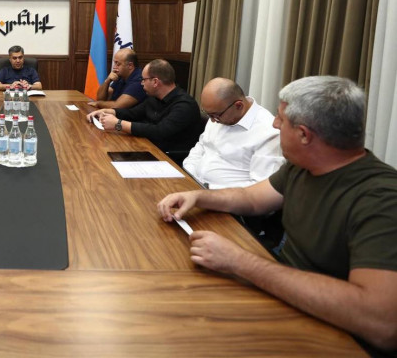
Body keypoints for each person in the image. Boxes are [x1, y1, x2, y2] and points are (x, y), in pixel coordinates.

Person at [157, 76, 397, 353]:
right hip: (285, 297)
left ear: (304, 135)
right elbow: (251, 198)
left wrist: (240, 261)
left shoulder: (381, 199)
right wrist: (199, 196)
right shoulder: (303, 167)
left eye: (281, 120)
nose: (273, 124)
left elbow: (381, 322)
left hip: (331, 335)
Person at [183, 77, 284, 189]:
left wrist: (210, 190)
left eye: (215, 115)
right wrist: (188, 174)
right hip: (192, 184)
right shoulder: (219, 114)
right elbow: (201, 147)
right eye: (208, 114)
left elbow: (260, 187)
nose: (212, 120)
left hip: (224, 197)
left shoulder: (268, 133)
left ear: (238, 106)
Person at [87, 59, 202, 154]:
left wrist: (118, 124)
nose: (141, 83)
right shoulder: (154, 97)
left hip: (168, 157)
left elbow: (159, 131)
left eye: (143, 80)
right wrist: (108, 111)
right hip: (147, 146)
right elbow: (133, 113)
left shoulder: (184, 105)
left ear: (155, 82)